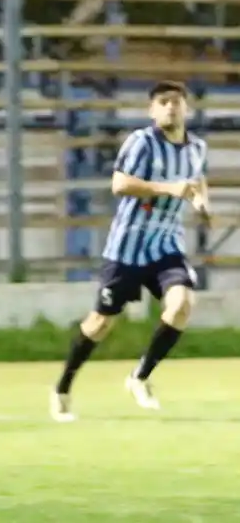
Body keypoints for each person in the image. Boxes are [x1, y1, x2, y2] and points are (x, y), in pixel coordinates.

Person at [51, 80, 211, 422]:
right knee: (100, 323)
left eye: (176, 101)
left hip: (166, 245)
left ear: (186, 107)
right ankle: (62, 389)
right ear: (152, 110)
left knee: (182, 304)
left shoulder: (197, 147)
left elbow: (198, 180)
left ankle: (140, 377)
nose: (170, 107)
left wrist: (201, 202)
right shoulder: (141, 142)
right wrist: (169, 189)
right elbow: (120, 183)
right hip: (127, 247)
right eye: (163, 102)